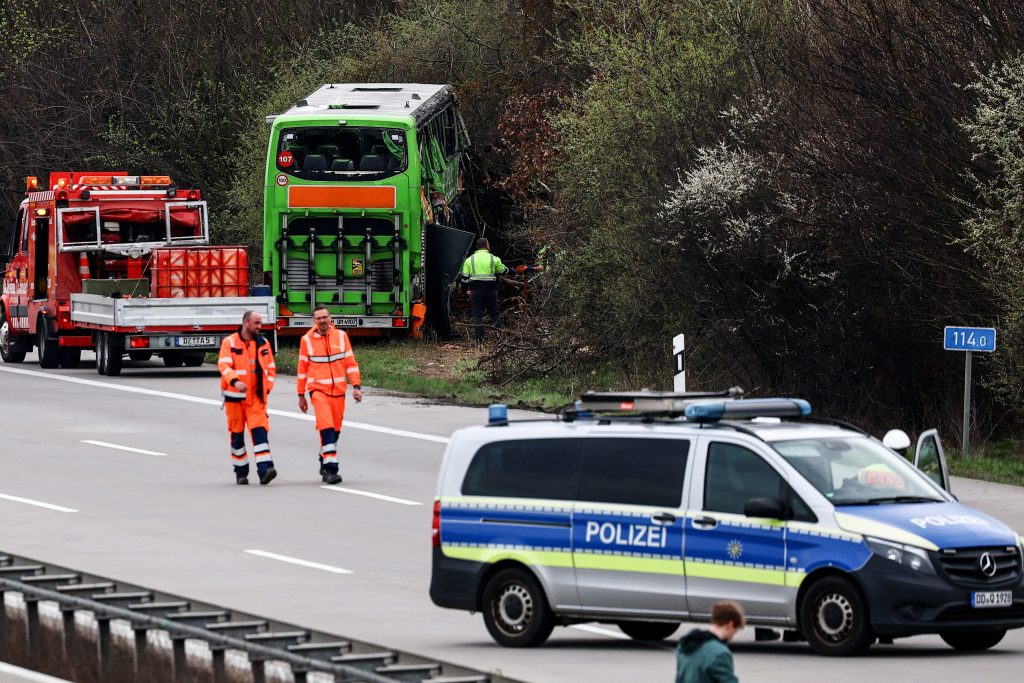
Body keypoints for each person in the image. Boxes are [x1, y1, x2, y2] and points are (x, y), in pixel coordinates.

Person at [297, 305, 363, 484]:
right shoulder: (307, 340)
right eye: (318, 318)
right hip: (318, 391)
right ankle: (332, 469)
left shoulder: (341, 336)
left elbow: (350, 363)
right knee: (326, 427)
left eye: (324, 317)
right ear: (314, 321)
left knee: (335, 431)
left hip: (339, 391)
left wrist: (356, 386)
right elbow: (302, 369)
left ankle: (323, 458)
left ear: (330, 318)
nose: (322, 321)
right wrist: (301, 394)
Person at [218, 310, 277, 486]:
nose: (260, 326)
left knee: (260, 433)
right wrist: (235, 381)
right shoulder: (229, 342)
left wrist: (267, 388)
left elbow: (271, 369)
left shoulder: (263, 343)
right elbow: (224, 365)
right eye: (256, 323)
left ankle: (265, 470)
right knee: (237, 437)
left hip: (257, 398)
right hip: (234, 398)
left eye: (260, 323)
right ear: (246, 323)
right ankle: (241, 472)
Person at [675, 600, 745, 683]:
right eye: (735, 630)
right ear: (730, 625)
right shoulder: (720, 652)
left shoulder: (686, 644)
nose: (733, 635)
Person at [460, 237, 509, 345]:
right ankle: (499, 340)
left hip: (475, 291)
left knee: (477, 315)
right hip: (490, 290)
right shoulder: (494, 258)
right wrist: (513, 271)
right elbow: (503, 271)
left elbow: (464, 279)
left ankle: (479, 342)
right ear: (487, 246)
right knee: (495, 313)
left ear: (477, 247)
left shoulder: (469, 260)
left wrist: (465, 292)